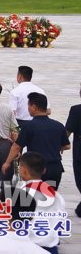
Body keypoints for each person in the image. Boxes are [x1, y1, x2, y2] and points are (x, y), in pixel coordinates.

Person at [3, 92, 69, 187]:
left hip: (36, 169)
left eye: (28, 106)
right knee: (50, 198)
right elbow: (67, 145)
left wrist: (7, 163)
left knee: (35, 198)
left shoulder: (29, 126)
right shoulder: (58, 125)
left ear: (34, 107)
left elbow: (17, 146)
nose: (28, 108)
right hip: (55, 168)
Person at [13, 152, 68, 252]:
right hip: (51, 248)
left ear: (23, 170)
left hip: (26, 248)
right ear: (44, 170)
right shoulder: (57, 196)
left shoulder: (20, 194)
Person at [65, 82, 81, 217]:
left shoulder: (76, 110)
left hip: (80, 148)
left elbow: (67, 132)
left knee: (80, 176)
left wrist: (60, 145)